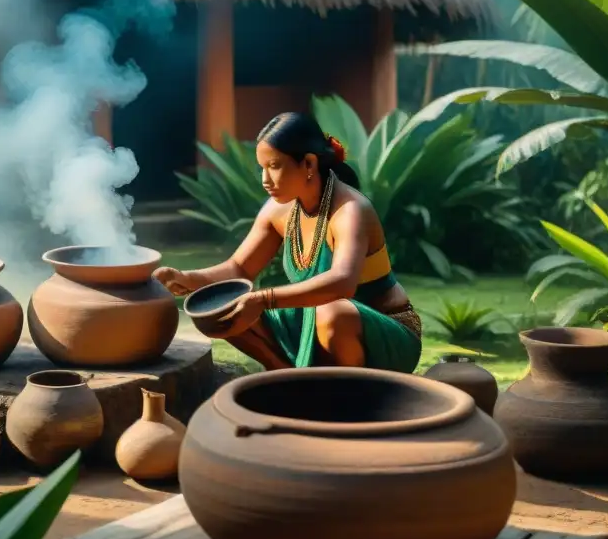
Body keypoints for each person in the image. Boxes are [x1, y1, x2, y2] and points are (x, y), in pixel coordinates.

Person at [153, 112, 422, 372]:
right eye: (262, 168)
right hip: (313, 322)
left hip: (385, 332)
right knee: (220, 314)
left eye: (274, 166)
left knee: (332, 314)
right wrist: (186, 277)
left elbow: (343, 283)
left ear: (308, 164)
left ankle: (347, 397)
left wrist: (263, 299)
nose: (265, 180)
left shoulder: (351, 210)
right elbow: (239, 269)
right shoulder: (278, 210)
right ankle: (286, 379)